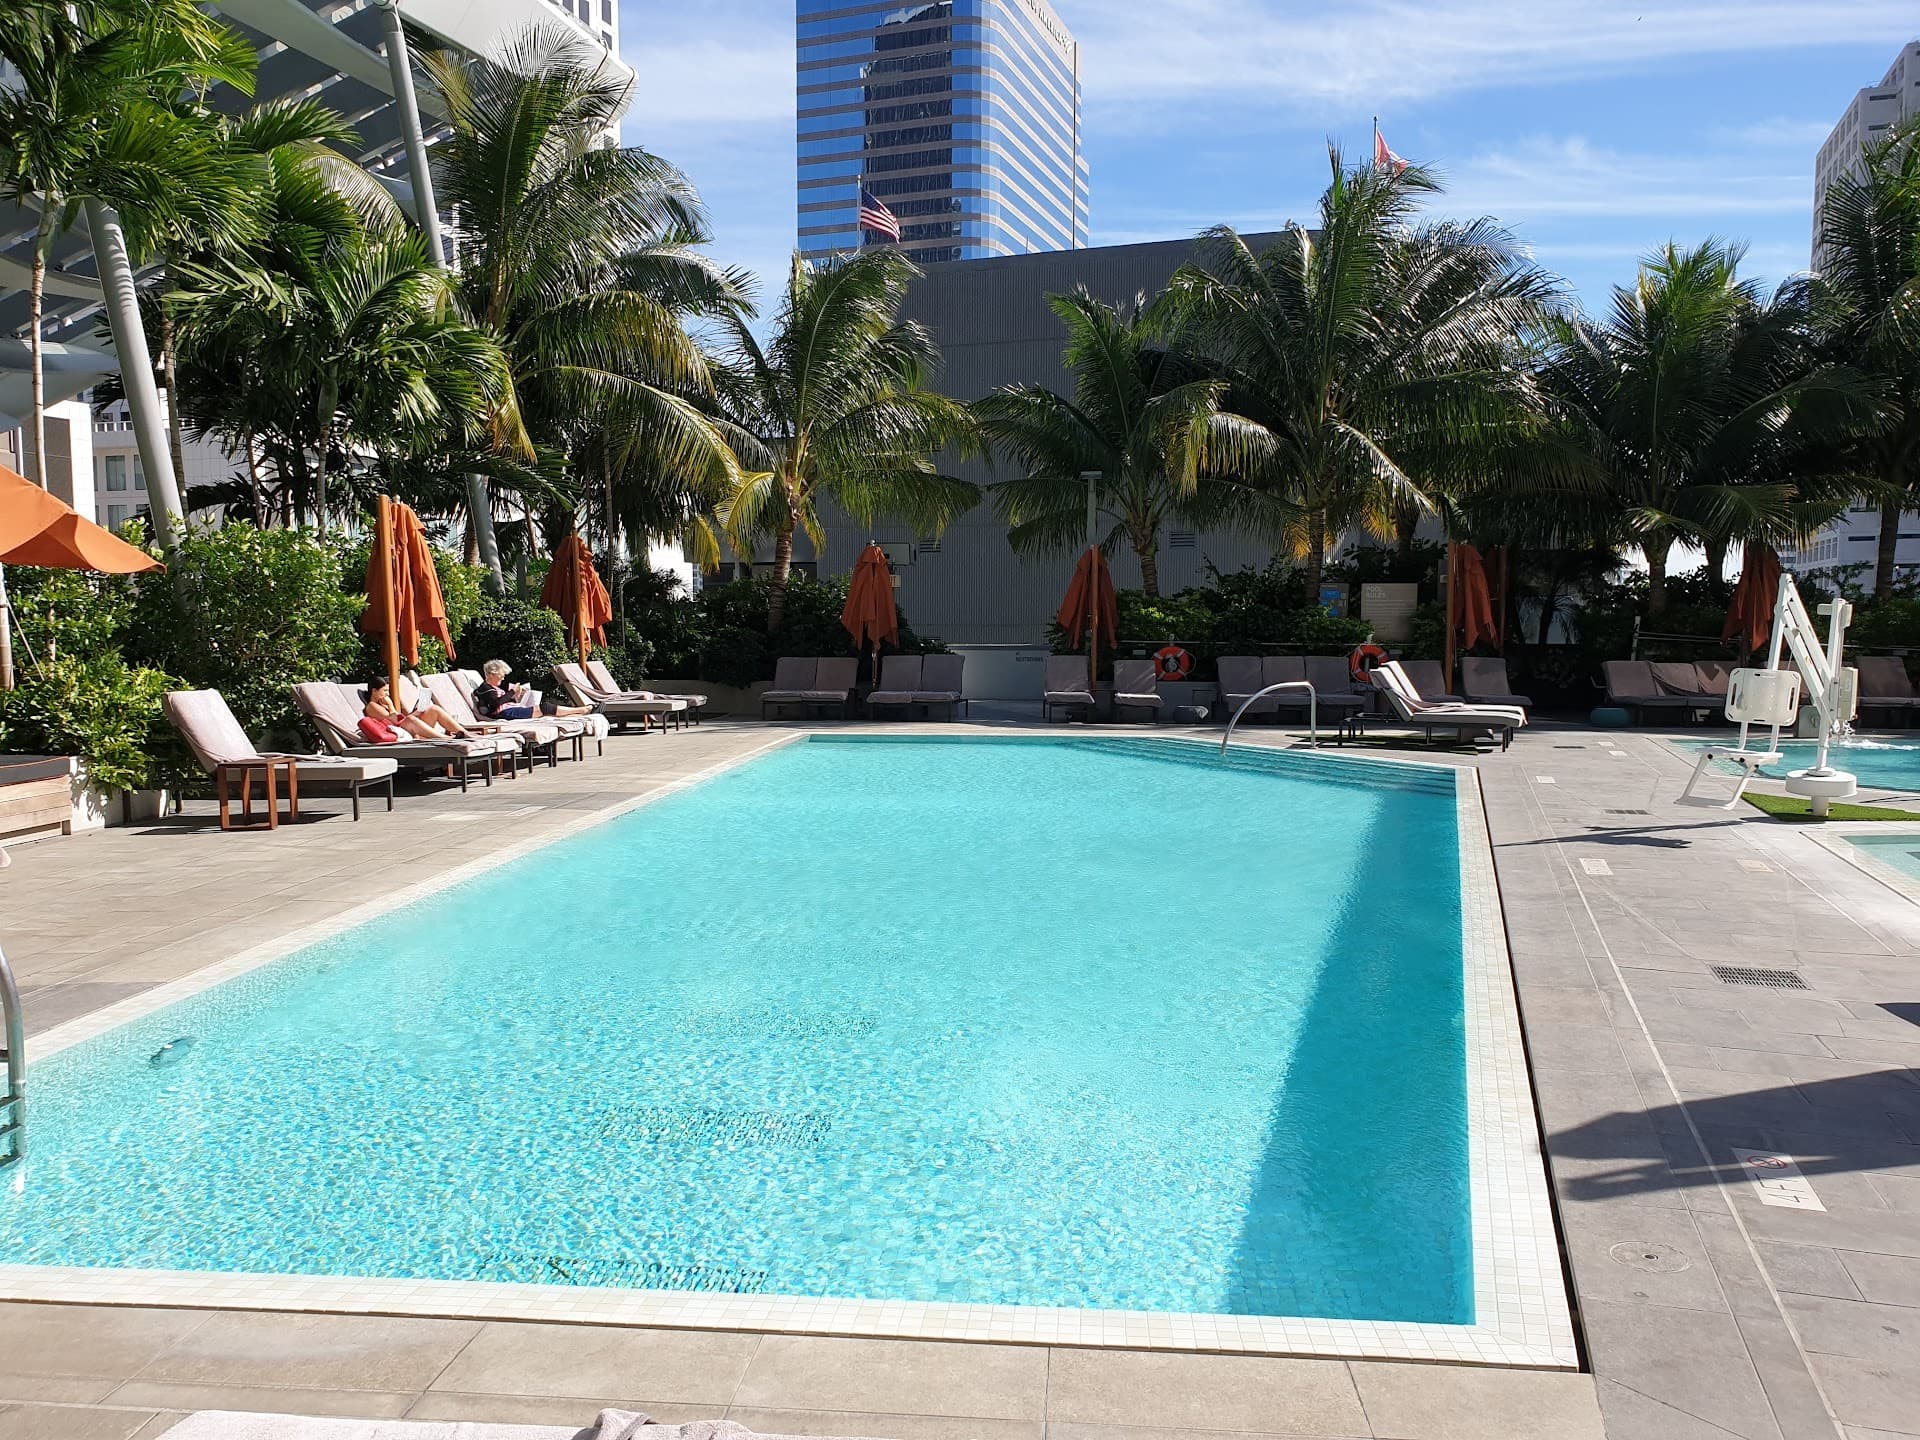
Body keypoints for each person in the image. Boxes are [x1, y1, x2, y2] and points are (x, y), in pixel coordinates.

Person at [472, 659, 593, 720]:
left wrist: (516, 697)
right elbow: (496, 704)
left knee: (548, 710)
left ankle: (581, 712)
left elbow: (500, 702)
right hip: (505, 714)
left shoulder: (491, 688)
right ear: (492, 674)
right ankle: (582, 710)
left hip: (509, 711)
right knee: (546, 708)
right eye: (501, 674)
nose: (503, 678)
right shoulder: (485, 689)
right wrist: (512, 692)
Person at [363, 676, 476, 740]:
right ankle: (447, 739)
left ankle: (465, 733)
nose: (387, 694)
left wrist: (417, 712)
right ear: (374, 691)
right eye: (385, 691)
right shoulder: (372, 706)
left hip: (407, 728)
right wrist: (391, 705)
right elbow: (394, 721)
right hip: (399, 733)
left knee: (433, 709)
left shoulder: (382, 703)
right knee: (410, 720)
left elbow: (398, 720)